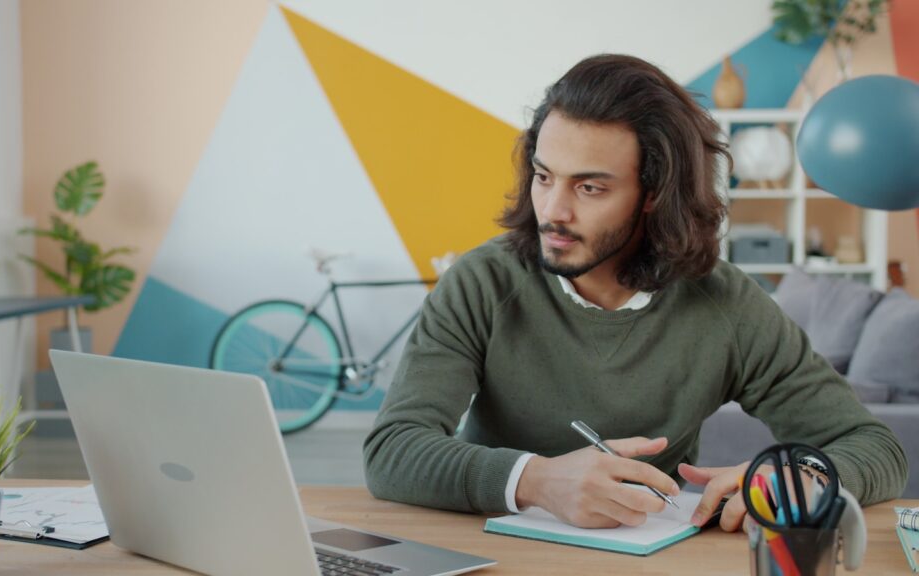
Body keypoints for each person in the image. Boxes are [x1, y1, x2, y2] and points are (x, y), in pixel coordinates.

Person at [363, 54, 907, 531]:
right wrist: (538, 480)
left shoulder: (727, 305)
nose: (553, 210)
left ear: (655, 194)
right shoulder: (482, 284)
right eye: (544, 175)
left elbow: (875, 447)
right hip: (498, 553)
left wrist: (802, 478)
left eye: (590, 187)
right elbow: (393, 449)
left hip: (653, 553)